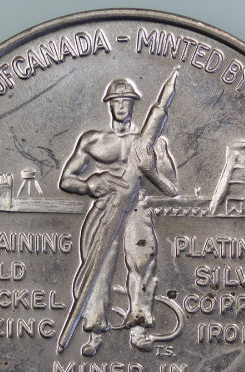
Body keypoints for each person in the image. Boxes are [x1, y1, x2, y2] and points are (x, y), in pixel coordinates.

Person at [58, 72, 179, 356]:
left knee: (142, 264)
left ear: (134, 104)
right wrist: (90, 184)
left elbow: (172, 189)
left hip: (137, 207)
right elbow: (66, 180)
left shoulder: (152, 142)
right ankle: (95, 332)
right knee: (97, 267)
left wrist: (150, 171)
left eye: (126, 100)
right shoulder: (92, 140)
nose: (121, 105)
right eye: (116, 101)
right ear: (109, 104)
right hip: (104, 208)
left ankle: (139, 328)